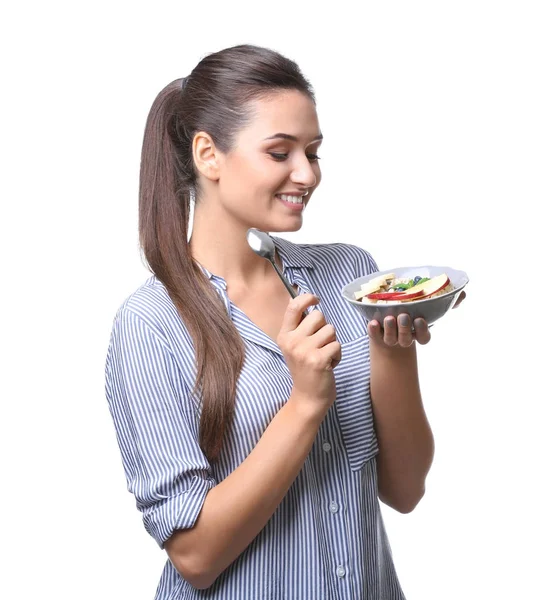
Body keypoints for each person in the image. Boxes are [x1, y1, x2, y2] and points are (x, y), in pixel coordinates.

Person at [105, 44, 464, 600]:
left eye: (314, 152)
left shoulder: (351, 275)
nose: (307, 174)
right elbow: (195, 556)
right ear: (208, 155)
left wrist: (393, 349)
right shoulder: (150, 325)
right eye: (280, 152)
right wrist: (304, 403)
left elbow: (405, 488)